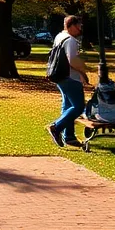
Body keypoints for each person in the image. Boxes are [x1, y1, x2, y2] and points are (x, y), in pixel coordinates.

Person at [46, 15, 88, 148]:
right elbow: (73, 61)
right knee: (78, 106)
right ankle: (56, 127)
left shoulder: (59, 37)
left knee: (68, 105)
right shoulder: (70, 40)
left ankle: (69, 137)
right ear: (71, 25)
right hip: (71, 77)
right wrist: (83, 72)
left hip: (59, 76)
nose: (80, 29)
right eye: (79, 26)